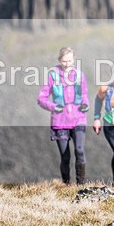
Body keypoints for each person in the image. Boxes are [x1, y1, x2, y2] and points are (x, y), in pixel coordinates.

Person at [37, 47, 89, 185]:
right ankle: (66, 185)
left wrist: (85, 104)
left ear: (74, 59)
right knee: (65, 157)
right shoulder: (52, 75)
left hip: (79, 119)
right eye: (64, 61)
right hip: (60, 121)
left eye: (70, 61)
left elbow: (84, 95)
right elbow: (41, 98)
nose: (67, 64)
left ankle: (80, 185)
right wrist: (54, 107)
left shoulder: (79, 75)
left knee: (80, 150)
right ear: (59, 60)